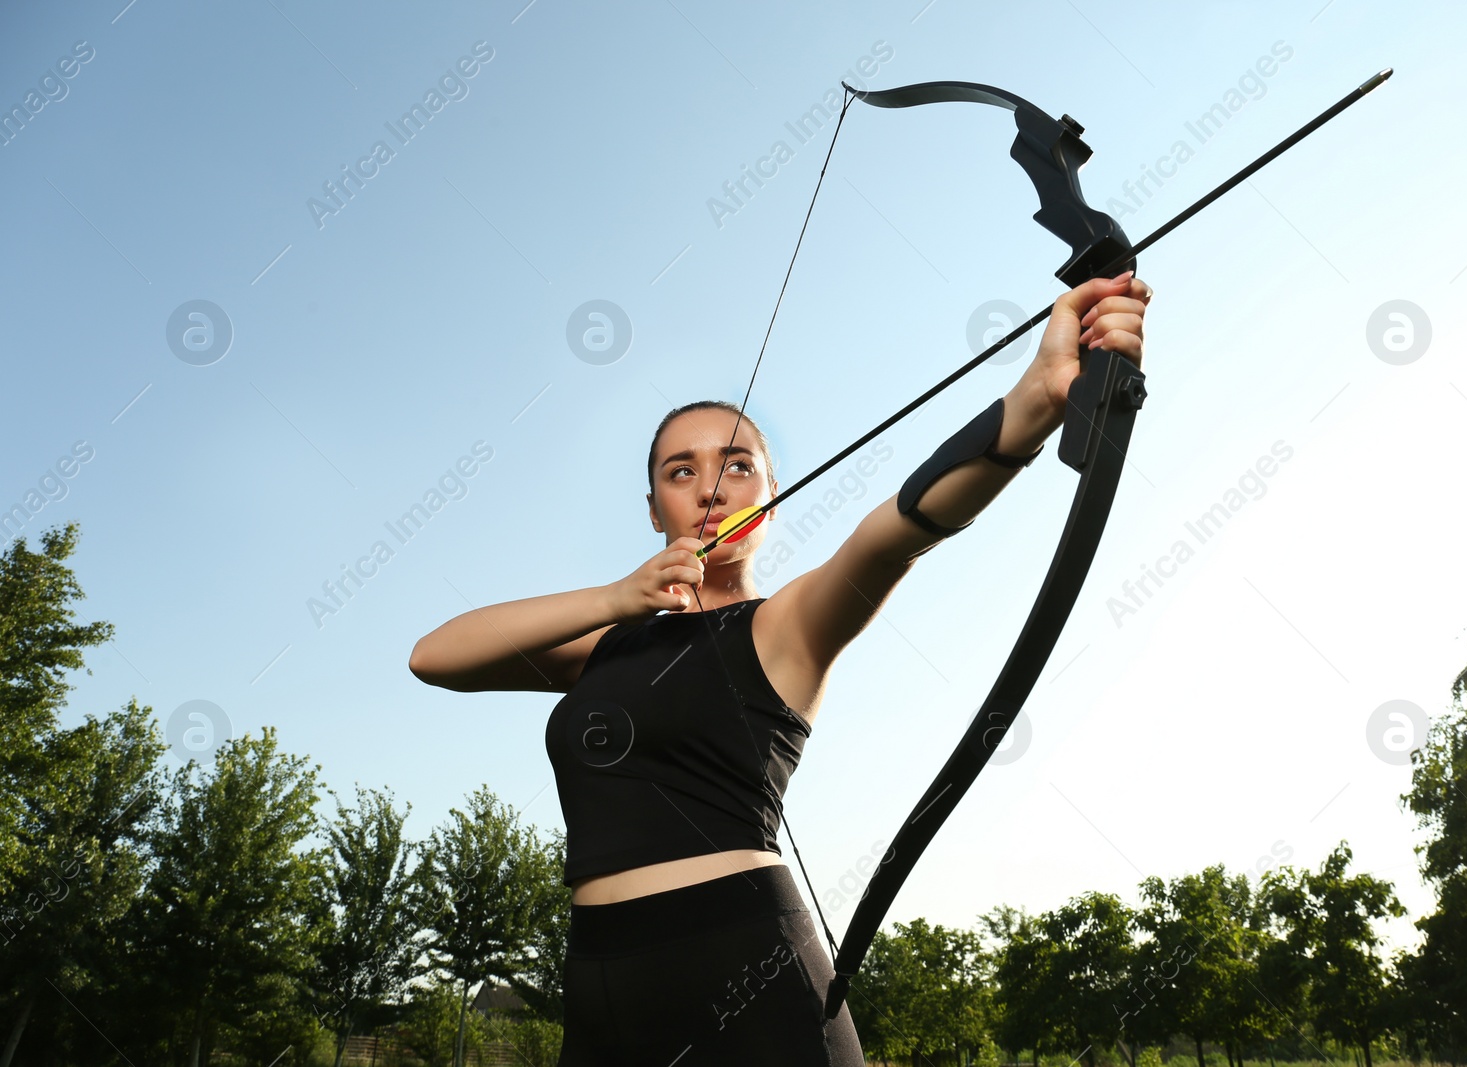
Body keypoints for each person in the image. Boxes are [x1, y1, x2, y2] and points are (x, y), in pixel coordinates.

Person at [408, 270, 1151, 1064]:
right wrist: (620, 595)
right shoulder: (608, 639)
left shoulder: (785, 624)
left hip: (746, 966)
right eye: (680, 471)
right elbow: (437, 654)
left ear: (772, 493)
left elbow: (897, 528)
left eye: (737, 466)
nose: (709, 489)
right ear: (654, 508)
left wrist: (1035, 402)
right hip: (598, 980)